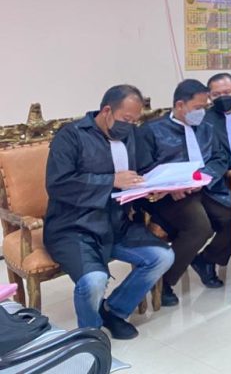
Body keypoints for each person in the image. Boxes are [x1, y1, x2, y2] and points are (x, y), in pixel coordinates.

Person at [44, 85, 174, 340]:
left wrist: (153, 188)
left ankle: (113, 311)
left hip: (117, 223)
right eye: (126, 119)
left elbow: (143, 170)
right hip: (74, 227)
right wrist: (111, 180)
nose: (131, 126)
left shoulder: (130, 135)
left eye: (135, 121)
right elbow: (58, 184)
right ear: (106, 111)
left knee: (162, 256)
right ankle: (91, 336)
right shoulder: (71, 136)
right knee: (93, 280)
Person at [136, 79, 231, 306]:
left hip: (205, 188)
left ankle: (206, 260)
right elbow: (143, 169)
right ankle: (164, 281)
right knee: (199, 227)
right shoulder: (151, 131)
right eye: (198, 107)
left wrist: (204, 176)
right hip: (169, 196)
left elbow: (220, 157)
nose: (202, 112)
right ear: (180, 105)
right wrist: (171, 186)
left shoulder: (207, 128)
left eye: (205, 107)